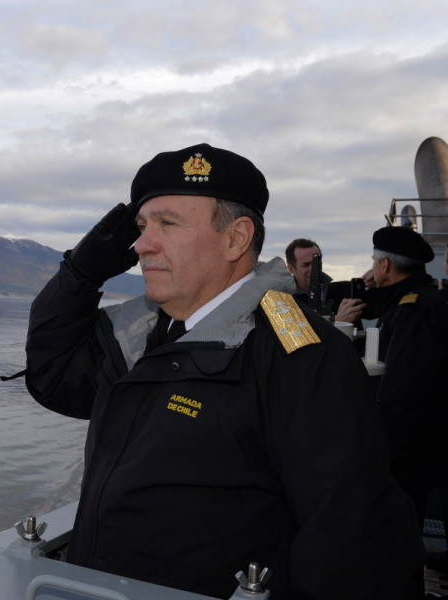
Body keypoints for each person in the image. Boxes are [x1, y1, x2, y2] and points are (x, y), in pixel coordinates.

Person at [25, 143, 424, 598]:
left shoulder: (300, 356)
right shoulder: (140, 336)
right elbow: (53, 375)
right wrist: (81, 273)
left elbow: (349, 537)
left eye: (167, 224)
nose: (140, 245)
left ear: (236, 239)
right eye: (141, 226)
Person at [367, 227, 448, 539]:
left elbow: (405, 387)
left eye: (375, 261)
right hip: (419, 443)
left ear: (385, 266)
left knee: (401, 532)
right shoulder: (418, 300)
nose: (373, 267)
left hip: (410, 451)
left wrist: (387, 450)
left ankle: (407, 586)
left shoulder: (413, 310)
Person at [285, 238, 365, 324]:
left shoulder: (345, 291)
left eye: (317, 262)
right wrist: (338, 322)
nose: (314, 269)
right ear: (291, 269)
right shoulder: (284, 302)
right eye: (306, 265)